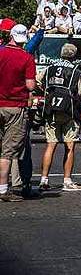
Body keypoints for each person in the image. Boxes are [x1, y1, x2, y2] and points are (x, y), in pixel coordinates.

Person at [38, 43, 81, 192]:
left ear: (61, 53)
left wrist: (49, 93)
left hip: (51, 110)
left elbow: (37, 82)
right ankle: (67, 181)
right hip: (68, 112)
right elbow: (80, 91)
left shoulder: (49, 68)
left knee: (50, 144)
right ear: (74, 56)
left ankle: (44, 180)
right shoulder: (76, 71)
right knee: (69, 146)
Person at [0, 24, 36, 202]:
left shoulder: (1, 53)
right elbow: (30, 85)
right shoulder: (26, 57)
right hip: (15, 106)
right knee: (8, 152)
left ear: (10, 36)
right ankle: (3, 189)